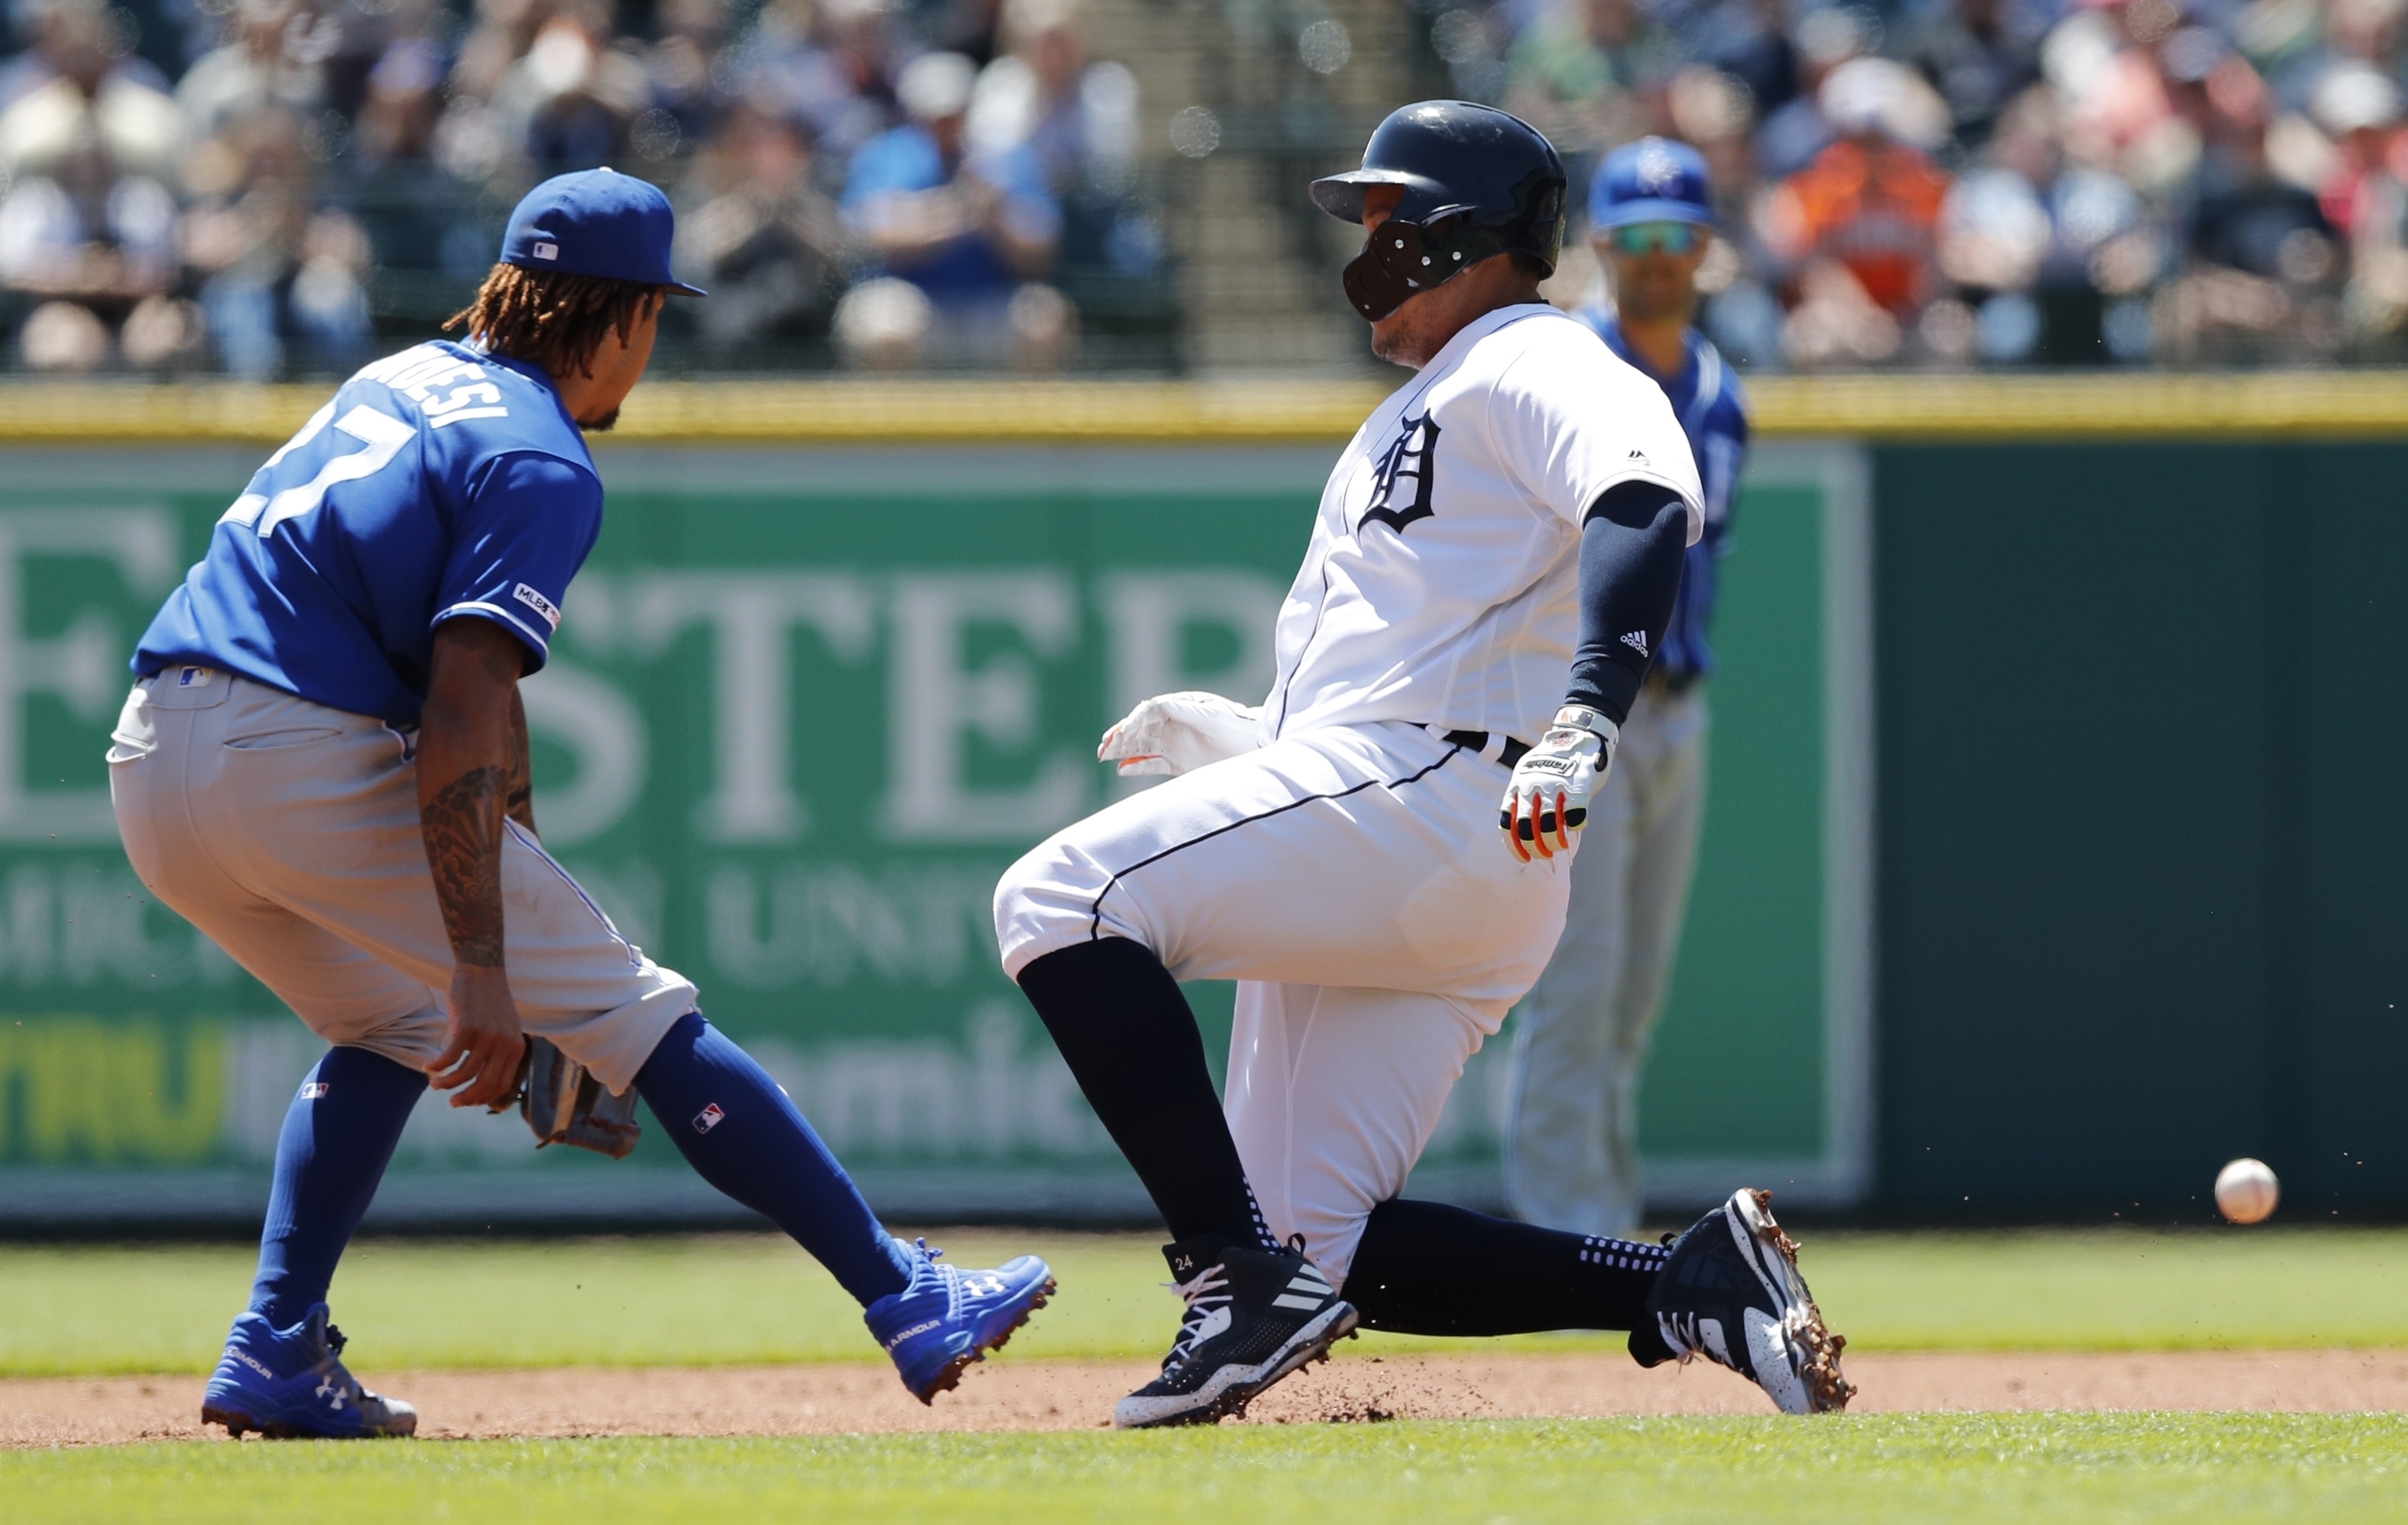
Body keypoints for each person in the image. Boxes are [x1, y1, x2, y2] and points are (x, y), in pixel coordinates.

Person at [108, 168, 1053, 1440]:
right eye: (652, 317)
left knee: (391, 1020)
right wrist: (495, 970)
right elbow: (454, 711)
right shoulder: (540, 452)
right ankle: (903, 1291)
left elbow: (484, 710)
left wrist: (507, 921)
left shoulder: (397, 378)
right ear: (619, 319)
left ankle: (278, 1342)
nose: (647, 352)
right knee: (640, 1009)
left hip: (155, 754)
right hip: (294, 749)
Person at [991, 102, 1851, 1429]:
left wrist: (1589, 709)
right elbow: (1399, 662)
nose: (1369, 245)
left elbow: (1643, 493)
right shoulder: (1435, 395)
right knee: (1316, 1242)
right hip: (1437, 831)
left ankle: (1233, 1284)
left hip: (1444, 795)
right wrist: (1246, 733)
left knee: (1061, 903)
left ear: (1457, 236)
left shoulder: (1526, 358)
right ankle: (1687, 1286)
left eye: (1390, 219)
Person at [1504, 137, 1749, 1242]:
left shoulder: (1721, 392)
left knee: (1633, 996)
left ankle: (1597, 1222)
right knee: (1578, 983)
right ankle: (1569, 1233)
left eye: (1677, 238)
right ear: (1600, 243)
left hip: (1679, 710)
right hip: (1582, 716)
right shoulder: (1569, 373)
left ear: (1704, 251)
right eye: (1637, 237)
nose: (1657, 257)